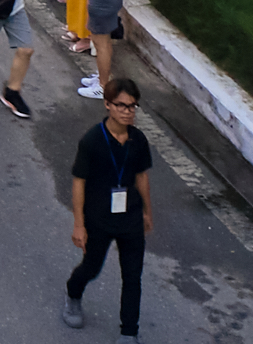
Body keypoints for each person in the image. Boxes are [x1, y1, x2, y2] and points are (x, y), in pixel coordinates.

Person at [63, 77, 154, 337]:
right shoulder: (92, 141)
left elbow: (141, 177)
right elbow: (79, 182)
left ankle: (129, 332)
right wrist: (79, 224)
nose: (128, 111)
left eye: (132, 106)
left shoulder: (138, 140)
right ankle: (73, 292)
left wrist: (147, 211)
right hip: (98, 218)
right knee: (91, 267)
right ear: (107, 105)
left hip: (131, 218)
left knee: (133, 277)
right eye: (122, 105)